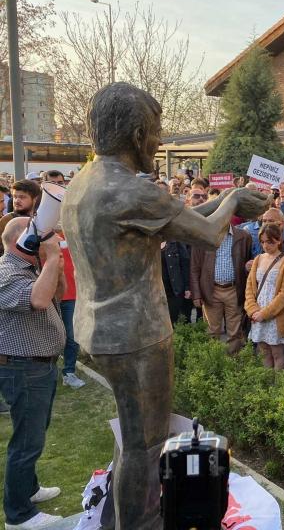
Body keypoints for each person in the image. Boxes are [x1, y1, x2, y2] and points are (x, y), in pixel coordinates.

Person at [62, 83, 270, 530]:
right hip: (137, 333)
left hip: (98, 329)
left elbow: (184, 224)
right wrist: (234, 198)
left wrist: (227, 202)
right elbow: (212, 235)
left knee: (132, 438)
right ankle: (142, 524)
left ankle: (117, 517)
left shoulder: (86, 183)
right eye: (156, 131)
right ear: (138, 135)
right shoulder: (132, 190)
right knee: (146, 444)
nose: (159, 140)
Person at [0, 218, 65, 529]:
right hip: (24, 368)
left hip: (39, 366)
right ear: (21, 241)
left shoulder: (27, 269)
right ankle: (18, 515)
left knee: (33, 435)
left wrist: (54, 265)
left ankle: (28, 488)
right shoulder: (5, 272)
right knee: (26, 443)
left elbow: (56, 294)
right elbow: (39, 300)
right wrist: (51, 258)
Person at [190, 223, 252, 354]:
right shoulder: (202, 237)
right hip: (211, 290)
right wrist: (196, 294)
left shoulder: (243, 236)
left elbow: (249, 262)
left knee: (235, 332)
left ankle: (232, 363)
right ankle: (214, 362)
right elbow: (194, 268)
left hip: (234, 289)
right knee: (211, 331)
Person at [244, 224, 284, 371]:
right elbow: (249, 287)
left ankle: (278, 389)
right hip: (258, 311)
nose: (266, 245)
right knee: (264, 352)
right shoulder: (258, 259)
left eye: (270, 242)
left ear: (279, 240)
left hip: (276, 314)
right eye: (262, 242)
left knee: (277, 353)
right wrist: (253, 310)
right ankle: (267, 386)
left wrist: (265, 313)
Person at [55, 224, 85, 389]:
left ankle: (69, 372)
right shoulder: (42, 236)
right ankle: (49, 371)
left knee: (72, 337)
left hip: (72, 295)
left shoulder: (74, 235)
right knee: (50, 335)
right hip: (50, 295)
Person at [0, 179, 40, 256]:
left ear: (35, 199)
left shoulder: (40, 219)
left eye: (22, 197)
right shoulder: (6, 220)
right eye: (15, 197)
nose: (17, 200)